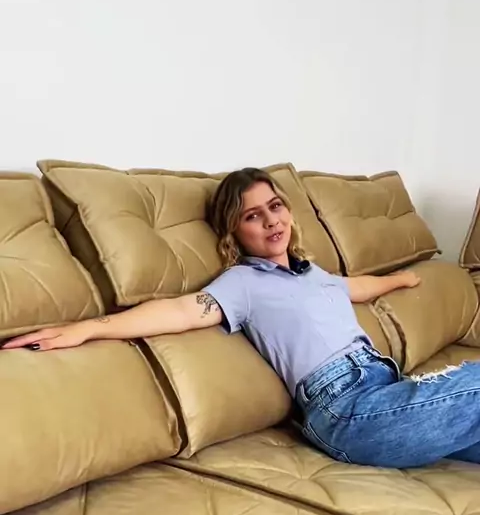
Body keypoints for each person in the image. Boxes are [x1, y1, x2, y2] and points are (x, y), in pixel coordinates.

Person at [3, 167, 480, 468]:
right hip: (346, 411)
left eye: (275, 206)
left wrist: (402, 279)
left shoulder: (313, 273)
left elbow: (356, 287)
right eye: (252, 216)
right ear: (233, 231)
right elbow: (180, 311)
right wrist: (88, 326)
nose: (271, 221)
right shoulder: (242, 283)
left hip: (388, 390)